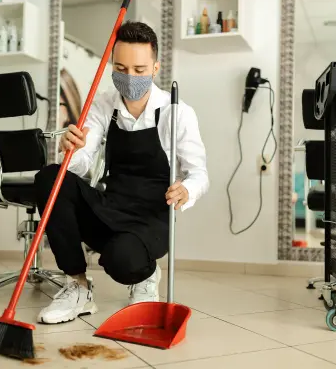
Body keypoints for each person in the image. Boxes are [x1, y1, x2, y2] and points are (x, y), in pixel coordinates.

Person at [34, 21, 209, 324]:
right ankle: (78, 287)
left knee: (122, 261)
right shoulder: (104, 104)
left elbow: (200, 174)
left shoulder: (177, 111)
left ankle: (146, 274)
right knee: (51, 177)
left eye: (140, 70)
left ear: (155, 68)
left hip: (152, 217)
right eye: (121, 69)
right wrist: (71, 150)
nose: (130, 78)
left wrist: (187, 190)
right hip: (110, 208)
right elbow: (81, 164)